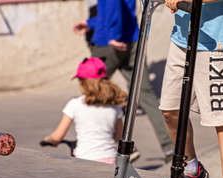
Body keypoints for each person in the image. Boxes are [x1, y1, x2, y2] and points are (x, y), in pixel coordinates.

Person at [156, 0, 223, 178]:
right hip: (182, 37)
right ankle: (191, 169)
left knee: (222, 120)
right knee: (170, 109)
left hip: (215, 41)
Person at [72, 0, 174, 162]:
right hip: (132, 39)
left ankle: (105, 146)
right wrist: (90, 23)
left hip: (109, 42)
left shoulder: (112, 33)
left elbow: (114, 5)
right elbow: (120, 8)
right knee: (145, 94)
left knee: (92, 91)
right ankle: (170, 147)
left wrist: (113, 35)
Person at [43, 57, 126, 165]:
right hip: (110, 160)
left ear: (82, 83)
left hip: (85, 160)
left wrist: (48, 140)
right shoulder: (115, 107)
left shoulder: (74, 104)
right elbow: (118, 137)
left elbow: (57, 137)